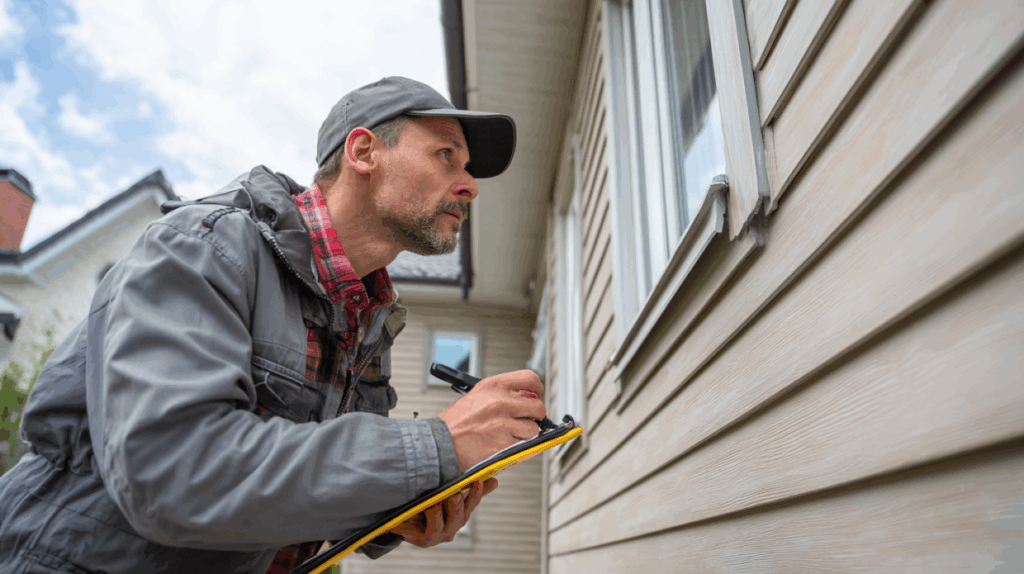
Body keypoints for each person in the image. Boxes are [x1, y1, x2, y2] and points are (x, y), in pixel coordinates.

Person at [0, 76, 546, 574]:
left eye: (466, 167)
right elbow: (172, 474)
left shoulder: (368, 316)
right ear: (363, 152)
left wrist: (401, 507)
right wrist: (433, 446)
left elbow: (291, 483)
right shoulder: (204, 248)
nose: (469, 185)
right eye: (446, 156)